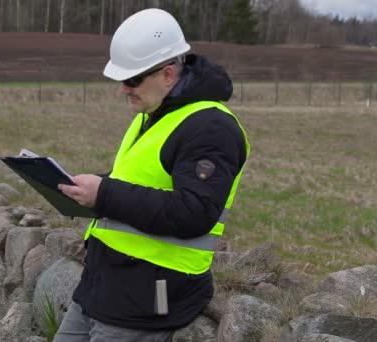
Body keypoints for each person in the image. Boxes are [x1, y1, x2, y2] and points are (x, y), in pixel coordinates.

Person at [55, 8, 251, 342]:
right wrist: (86, 186)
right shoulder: (156, 111)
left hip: (149, 300)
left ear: (169, 74)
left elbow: (194, 212)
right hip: (104, 289)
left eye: (132, 79)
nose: (123, 89)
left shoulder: (211, 127)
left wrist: (104, 194)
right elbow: (143, 181)